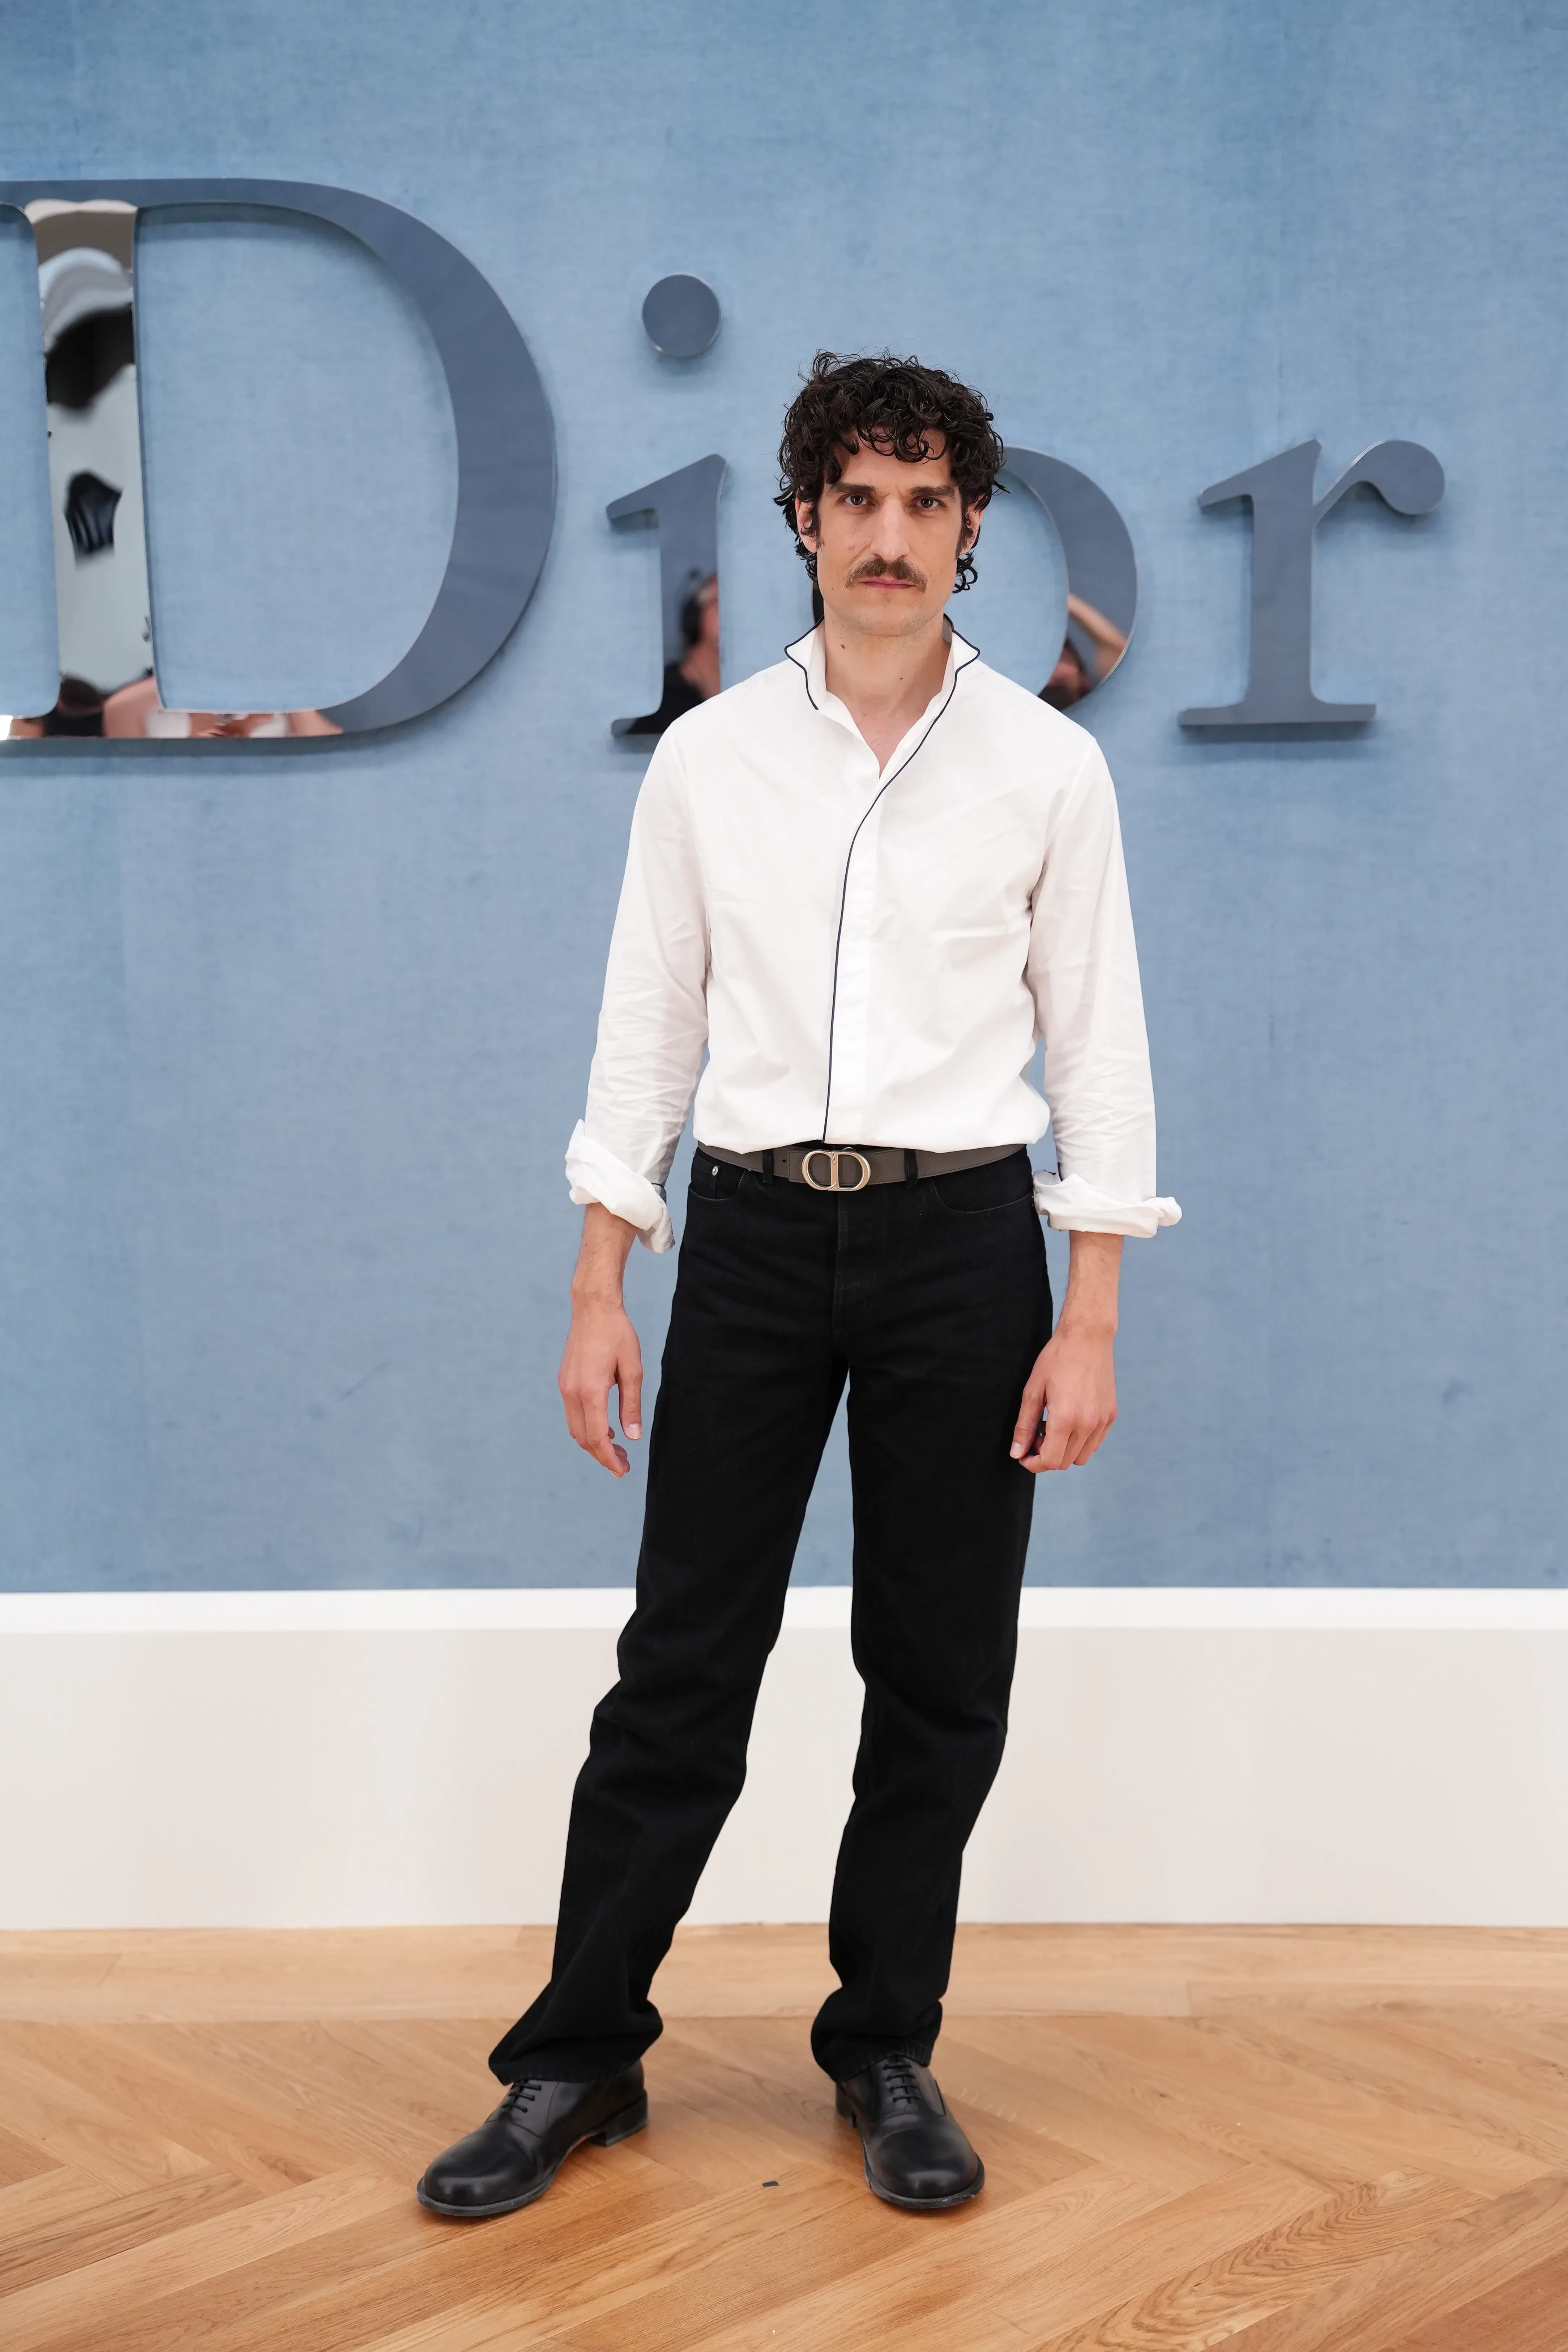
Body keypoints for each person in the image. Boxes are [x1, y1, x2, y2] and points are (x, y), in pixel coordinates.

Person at [419, 351, 1179, 2223]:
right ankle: (576, 2056)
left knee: (940, 1670)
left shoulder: (1049, 770)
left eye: (927, 503)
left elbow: (1101, 1048)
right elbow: (646, 1030)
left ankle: (886, 2043)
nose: (890, 537)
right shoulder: (711, 760)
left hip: (967, 1248)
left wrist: (1091, 1315)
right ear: (807, 521)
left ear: (971, 528)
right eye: (859, 501)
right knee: (684, 1660)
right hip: (754, 1238)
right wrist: (601, 1283)